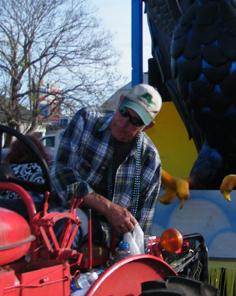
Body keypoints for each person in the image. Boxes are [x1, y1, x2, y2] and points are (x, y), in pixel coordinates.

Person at [51, 84, 163, 251]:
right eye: (124, 112)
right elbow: (61, 172)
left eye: (135, 121)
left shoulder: (150, 160)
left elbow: (140, 229)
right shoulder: (86, 120)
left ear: (147, 126)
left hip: (108, 235)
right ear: (119, 102)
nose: (124, 122)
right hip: (64, 211)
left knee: (68, 227)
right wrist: (108, 208)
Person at [0, 134, 50, 201]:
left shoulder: (5, 169)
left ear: (14, 151)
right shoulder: (42, 170)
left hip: (5, 208)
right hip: (30, 209)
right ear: (38, 150)